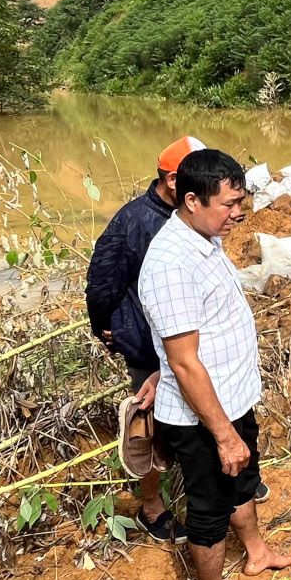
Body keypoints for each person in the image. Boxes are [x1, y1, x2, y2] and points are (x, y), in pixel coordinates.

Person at [136, 147, 291, 580]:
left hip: (233, 397)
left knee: (243, 481)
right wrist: (223, 434)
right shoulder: (170, 264)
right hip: (202, 415)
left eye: (240, 202)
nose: (238, 214)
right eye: (229, 204)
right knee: (209, 506)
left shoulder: (205, 238)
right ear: (190, 200)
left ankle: (256, 553)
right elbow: (185, 364)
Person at [86, 135, 202, 540]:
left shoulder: (193, 214)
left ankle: (206, 480)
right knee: (148, 425)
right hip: (148, 345)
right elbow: (101, 280)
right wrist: (107, 325)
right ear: (174, 181)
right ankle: (152, 506)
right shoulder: (135, 221)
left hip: (189, 337)